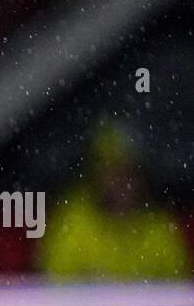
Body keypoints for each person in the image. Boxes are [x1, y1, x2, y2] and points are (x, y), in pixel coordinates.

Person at [40, 119, 191, 279]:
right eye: (112, 170)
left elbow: (178, 291)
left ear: (142, 177)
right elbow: (55, 290)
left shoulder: (159, 226)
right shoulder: (72, 223)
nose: (121, 180)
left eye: (129, 171)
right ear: (95, 174)